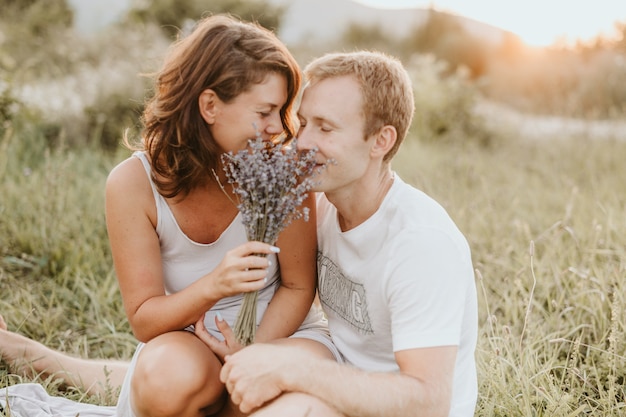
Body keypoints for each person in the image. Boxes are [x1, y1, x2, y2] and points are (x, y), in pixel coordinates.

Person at [2, 14, 340, 417]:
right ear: (210, 105)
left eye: (283, 110)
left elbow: (299, 288)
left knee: (277, 394)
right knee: (166, 381)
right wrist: (214, 285)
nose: (279, 129)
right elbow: (145, 319)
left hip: (283, 334)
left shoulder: (282, 172)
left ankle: (33, 355)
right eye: (265, 111)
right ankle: (30, 355)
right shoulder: (134, 183)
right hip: (187, 339)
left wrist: (250, 351)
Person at [216, 50, 479, 417]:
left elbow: (429, 402)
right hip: (342, 368)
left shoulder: (421, 243)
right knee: (240, 377)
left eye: (325, 128)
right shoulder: (320, 208)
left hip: (400, 404)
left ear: (380, 141)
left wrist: (297, 372)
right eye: (303, 123)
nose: (302, 143)